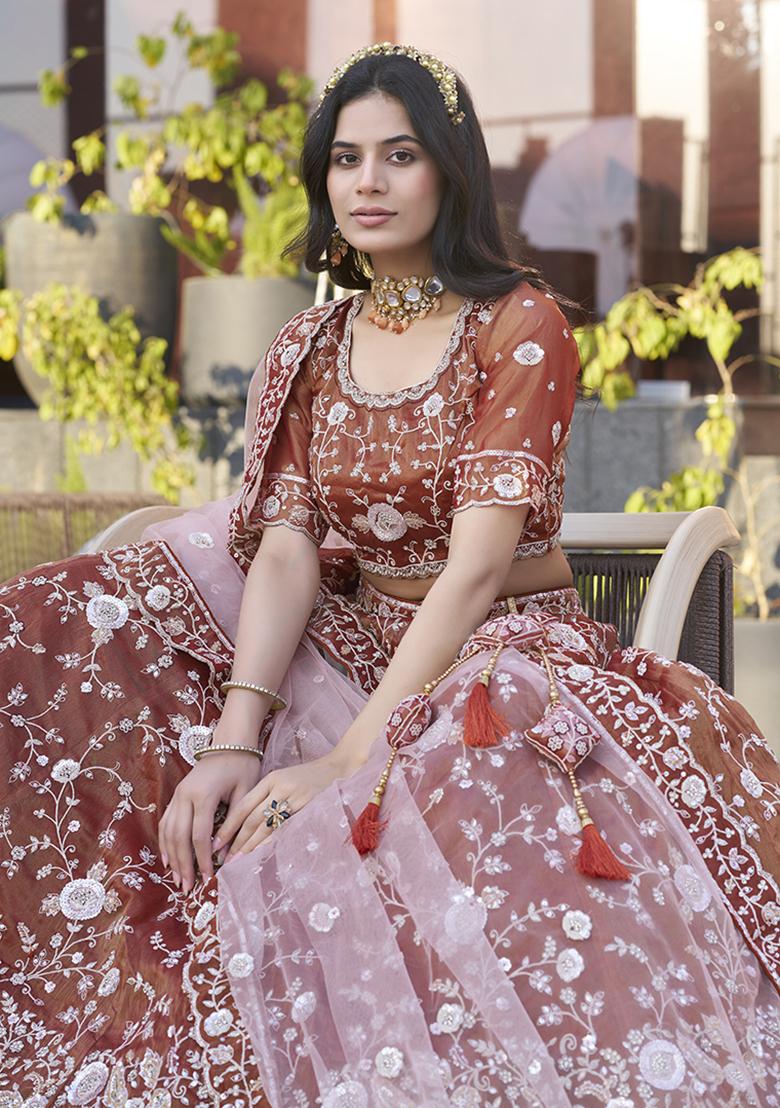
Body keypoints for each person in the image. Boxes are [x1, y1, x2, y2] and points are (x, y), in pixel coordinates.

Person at [1, 42, 778, 1108]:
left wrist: (342, 765)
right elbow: (282, 543)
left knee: (440, 791)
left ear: (448, 170)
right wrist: (241, 736)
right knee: (55, 630)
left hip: (496, 654)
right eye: (345, 158)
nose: (365, 182)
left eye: (398, 155)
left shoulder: (520, 322)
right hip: (341, 640)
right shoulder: (309, 343)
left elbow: (475, 568)